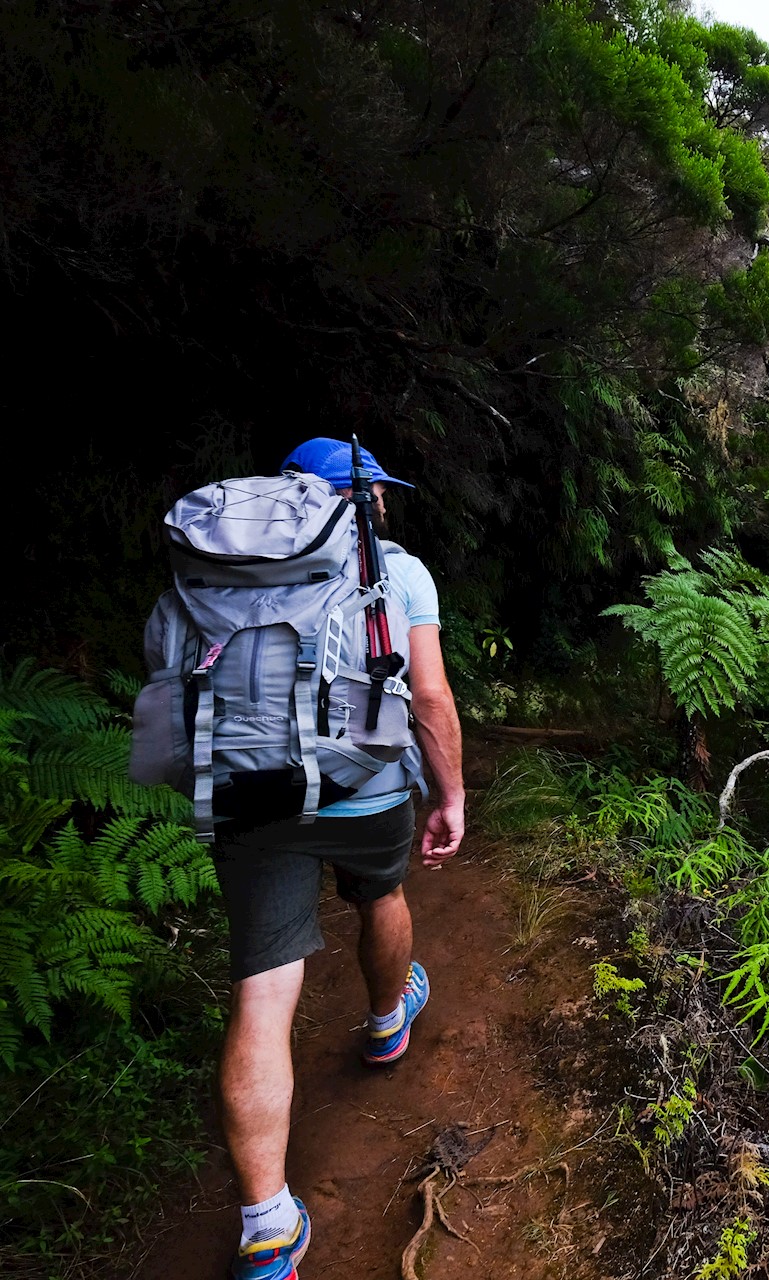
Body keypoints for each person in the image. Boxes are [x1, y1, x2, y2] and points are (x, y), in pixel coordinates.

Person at [219, 438, 464, 1279]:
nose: (386, 504)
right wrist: (450, 796)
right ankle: (388, 1023)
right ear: (361, 500)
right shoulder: (401, 571)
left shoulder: (230, 567)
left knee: (263, 986)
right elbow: (427, 696)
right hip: (365, 784)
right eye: (377, 493)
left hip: (253, 790)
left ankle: (265, 1226)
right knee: (380, 891)